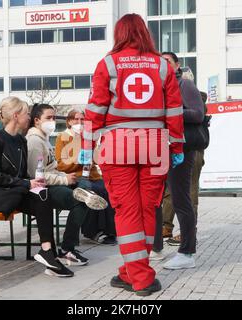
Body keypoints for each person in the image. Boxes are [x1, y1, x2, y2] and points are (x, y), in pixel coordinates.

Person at [80, 14, 185, 296]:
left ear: (119, 33)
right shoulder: (162, 65)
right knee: (147, 209)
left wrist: (86, 148)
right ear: (145, 33)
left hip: (119, 145)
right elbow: (174, 111)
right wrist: (177, 147)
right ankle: (130, 271)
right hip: (156, 146)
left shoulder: (108, 64)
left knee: (127, 211)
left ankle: (140, 278)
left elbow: (96, 109)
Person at [0, 96, 73, 277]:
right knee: (41, 195)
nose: (29, 117)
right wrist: (26, 183)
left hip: (16, 190)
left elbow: (22, 173)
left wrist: (33, 183)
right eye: (26, 113)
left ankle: (47, 252)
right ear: (15, 116)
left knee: (43, 195)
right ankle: (50, 255)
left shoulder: (20, 140)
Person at [26, 103, 108, 267]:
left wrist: (65, 176)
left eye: (54, 117)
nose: (52, 121)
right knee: (81, 199)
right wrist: (65, 179)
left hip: (55, 181)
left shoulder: (45, 140)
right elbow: (37, 175)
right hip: (41, 189)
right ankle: (67, 249)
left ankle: (84, 237)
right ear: (36, 120)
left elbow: (52, 168)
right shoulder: (34, 142)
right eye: (48, 118)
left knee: (86, 189)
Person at [152, 52, 204, 270]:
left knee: (180, 198)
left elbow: (198, 114)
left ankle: (187, 252)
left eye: (168, 62)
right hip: (158, 147)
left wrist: (171, 112)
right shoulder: (156, 88)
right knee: (154, 198)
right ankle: (155, 248)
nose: (163, 65)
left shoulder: (185, 85)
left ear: (177, 65)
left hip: (181, 148)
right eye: (159, 62)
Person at [55, 109, 117, 245]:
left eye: (82, 120)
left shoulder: (88, 137)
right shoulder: (62, 137)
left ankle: (110, 231)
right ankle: (93, 231)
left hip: (91, 174)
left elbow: (95, 160)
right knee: (90, 190)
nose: (79, 122)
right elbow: (60, 164)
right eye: (76, 119)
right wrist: (77, 160)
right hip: (74, 176)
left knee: (107, 188)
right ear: (69, 121)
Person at [161, 90, 208, 247]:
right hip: (173, 148)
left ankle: (188, 232)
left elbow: (198, 113)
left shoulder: (196, 98)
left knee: (190, 191)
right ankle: (166, 226)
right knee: (169, 190)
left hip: (192, 150)